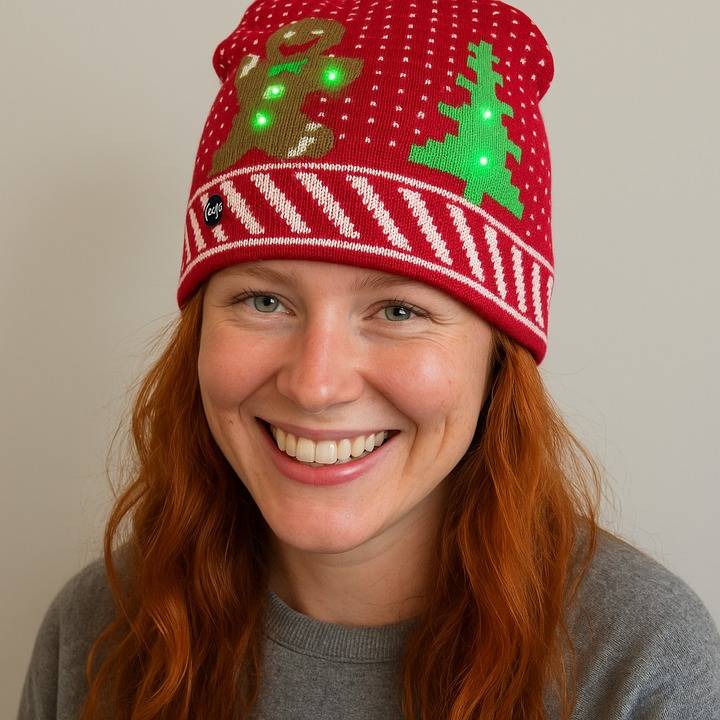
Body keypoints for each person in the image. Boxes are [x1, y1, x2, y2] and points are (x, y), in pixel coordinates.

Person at [16, 0, 720, 718]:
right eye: (264, 300)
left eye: (399, 311)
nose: (315, 385)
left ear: (498, 359)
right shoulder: (99, 630)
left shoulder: (639, 664)